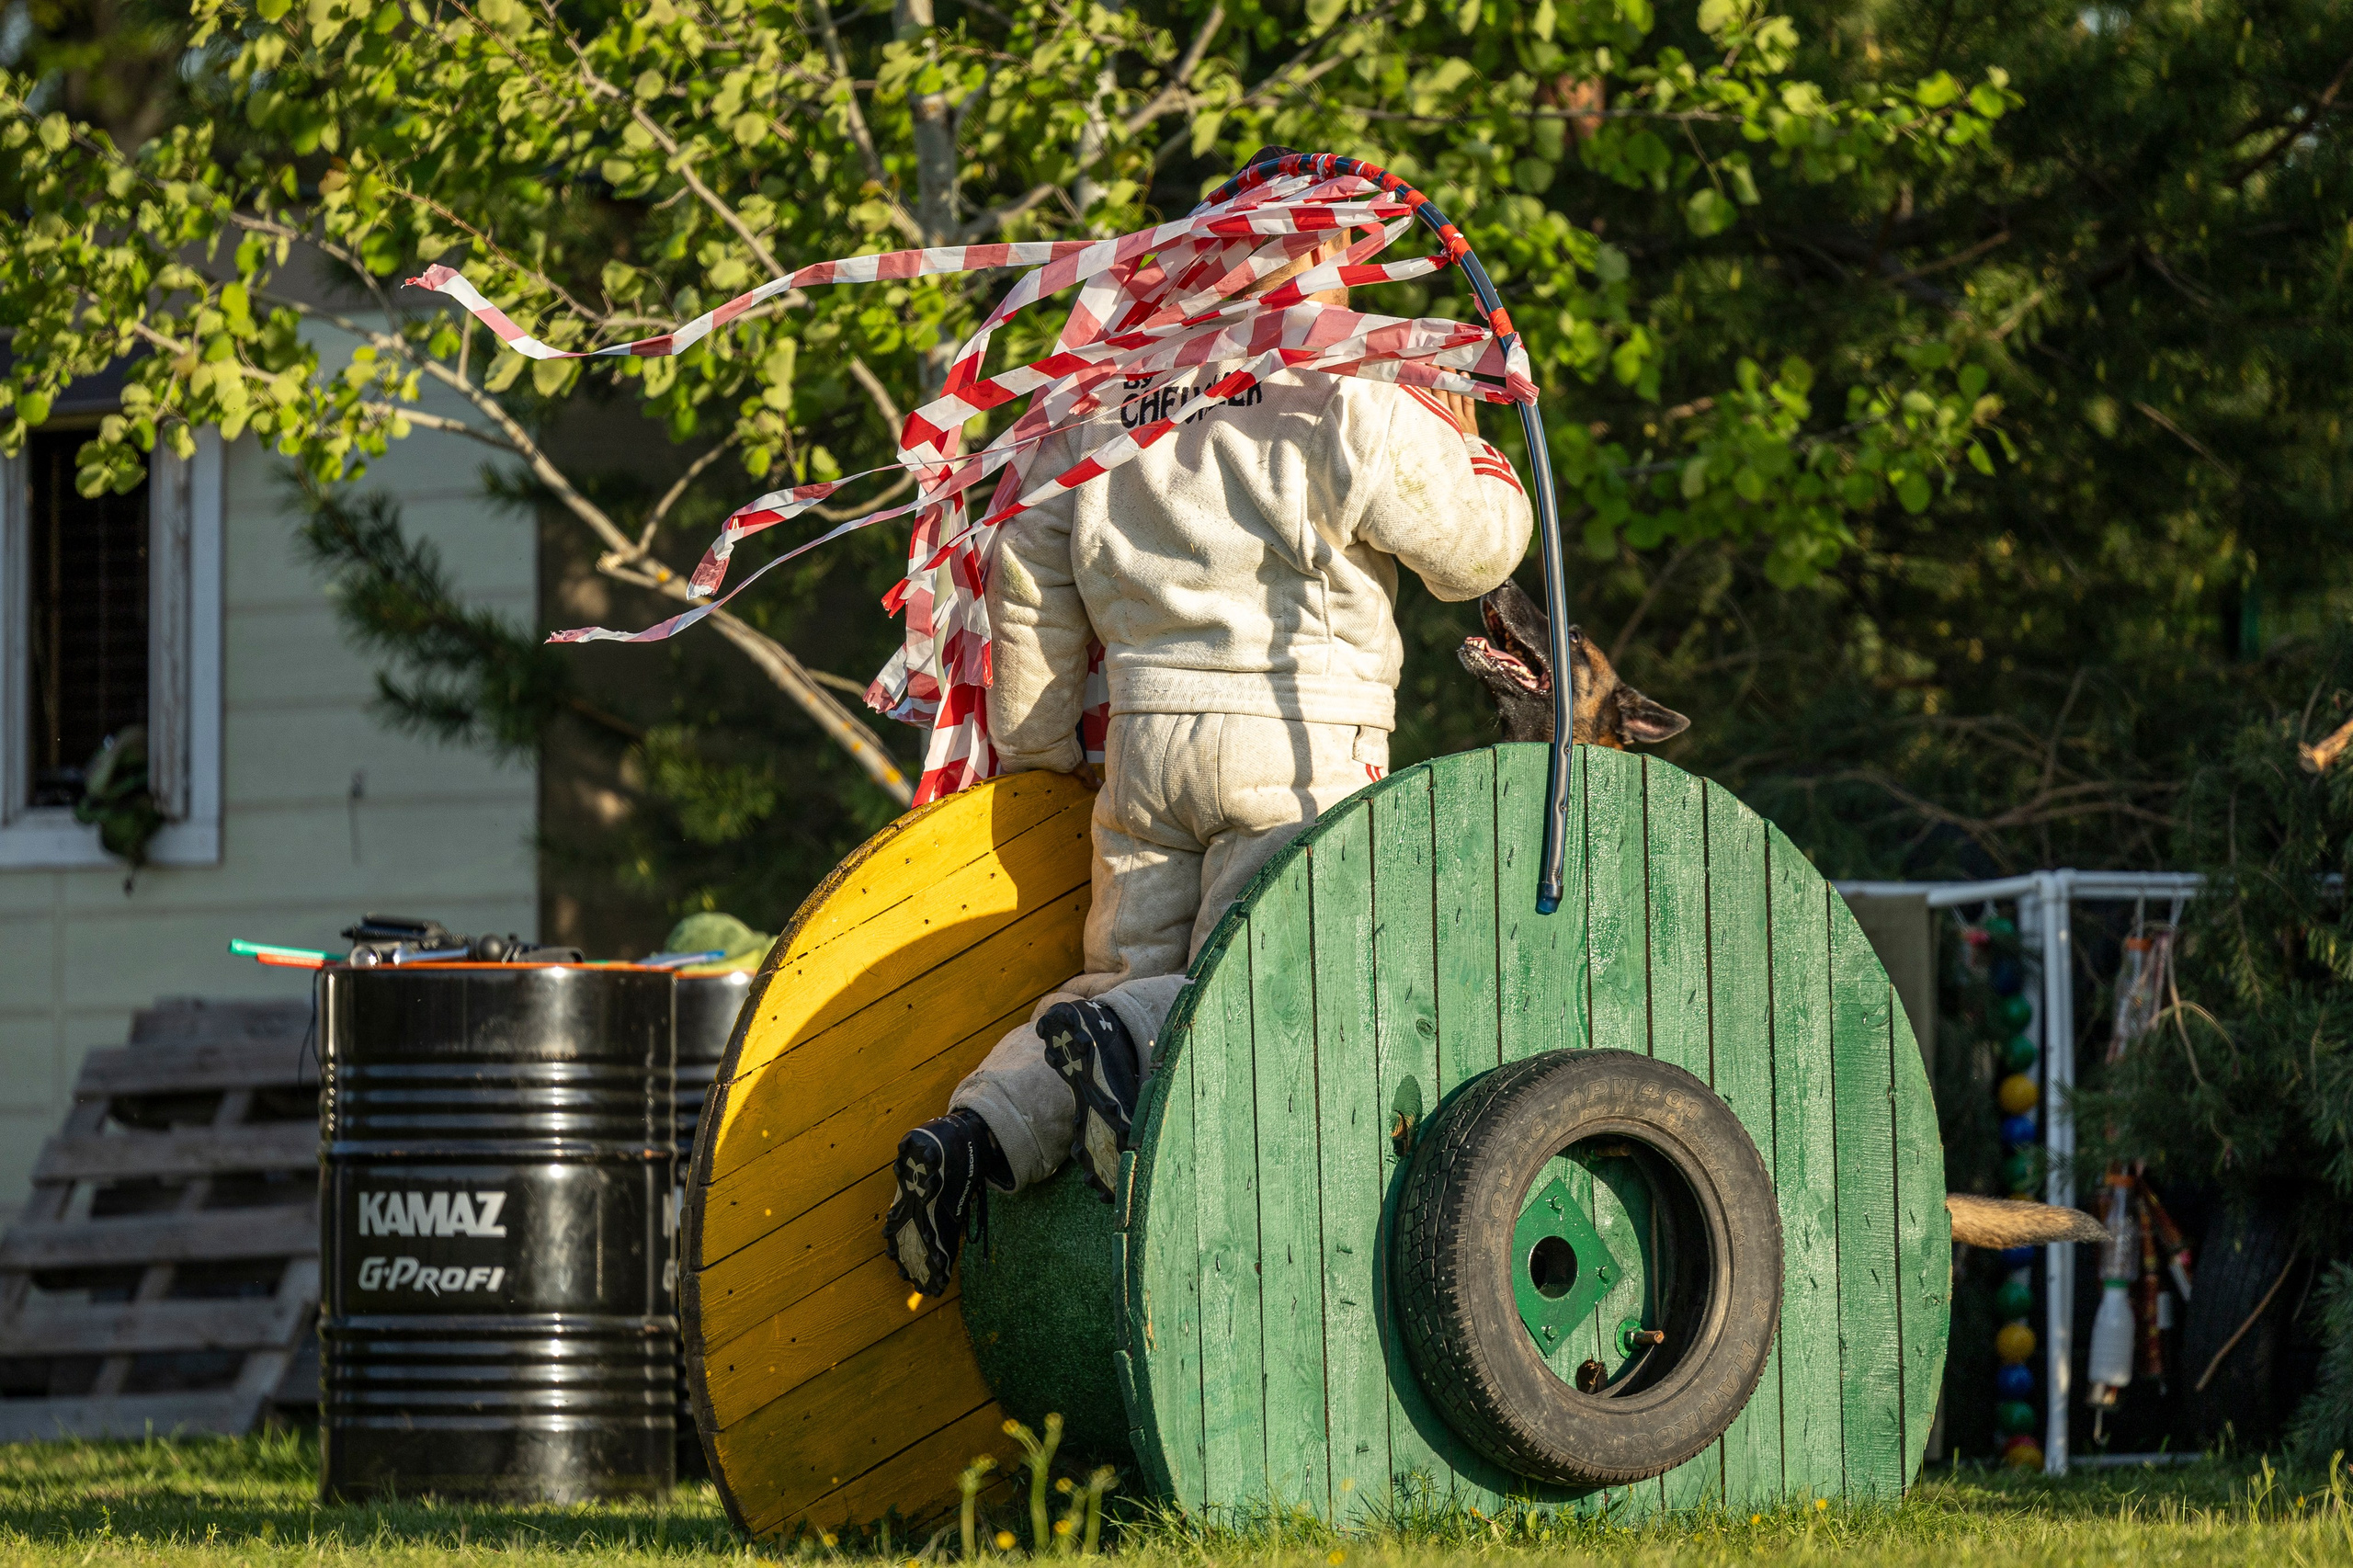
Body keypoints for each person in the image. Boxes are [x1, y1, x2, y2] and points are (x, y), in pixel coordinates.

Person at [885, 148, 1536, 1295]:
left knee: (1103, 990)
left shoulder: (1103, 399)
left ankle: (976, 1133)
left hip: (1142, 756)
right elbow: (1472, 551)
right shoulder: (1343, 390)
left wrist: (1044, 766)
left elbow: (1024, 584)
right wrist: (1480, 453)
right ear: (1322, 253)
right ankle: (1133, 1068)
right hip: (1301, 742)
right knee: (1256, 985)